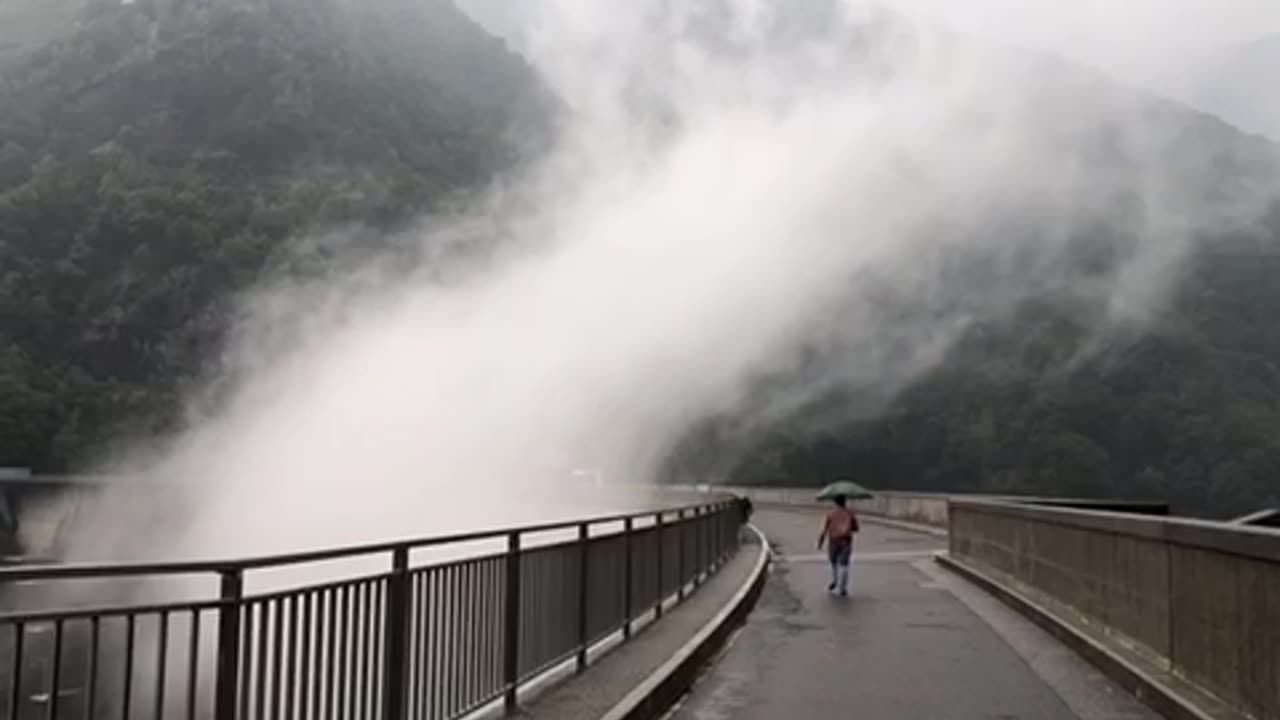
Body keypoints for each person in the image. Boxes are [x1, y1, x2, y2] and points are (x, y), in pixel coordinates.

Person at [817, 494, 859, 596]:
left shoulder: (830, 514)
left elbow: (824, 529)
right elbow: (856, 528)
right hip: (846, 540)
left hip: (834, 540)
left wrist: (820, 542)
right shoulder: (850, 513)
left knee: (834, 563)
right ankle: (842, 588)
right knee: (844, 565)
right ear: (845, 502)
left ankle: (835, 580)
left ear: (835, 502)